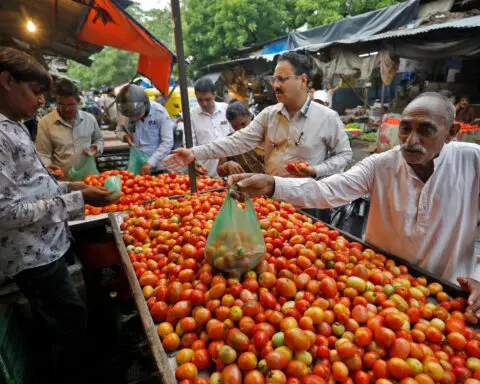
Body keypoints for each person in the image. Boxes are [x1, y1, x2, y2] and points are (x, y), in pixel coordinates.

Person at [228, 92, 480, 310]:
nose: (411, 140)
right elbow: (327, 190)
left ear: (452, 132)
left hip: (453, 293)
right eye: (405, 128)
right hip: (380, 286)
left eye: (426, 130)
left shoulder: (473, 162)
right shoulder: (381, 164)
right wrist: (273, 185)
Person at [0, 46, 119, 383]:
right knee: (69, 323)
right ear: (7, 81)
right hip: (31, 253)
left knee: (63, 318)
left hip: (45, 244)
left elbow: (34, 185)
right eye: (35, 92)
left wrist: (74, 188)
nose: (41, 101)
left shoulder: (15, 126)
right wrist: (76, 200)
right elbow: (6, 211)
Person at [165, 52, 352, 180]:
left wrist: (316, 171)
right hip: (275, 201)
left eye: (282, 79)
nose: (276, 85)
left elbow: (344, 155)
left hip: (311, 202)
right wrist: (193, 153)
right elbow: (236, 141)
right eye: (275, 79)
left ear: (302, 80)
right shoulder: (269, 115)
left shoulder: (328, 117)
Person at [36, 79, 104, 178]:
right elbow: (43, 154)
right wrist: (50, 169)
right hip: (63, 182)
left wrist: (96, 148)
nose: (66, 109)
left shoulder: (89, 119)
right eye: (61, 105)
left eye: (71, 105)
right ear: (56, 101)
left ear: (78, 101)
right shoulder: (45, 123)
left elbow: (99, 139)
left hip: (90, 179)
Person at [177, 78, 232, 177]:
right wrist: (194, 161)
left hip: (229, 168)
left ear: (214, 94)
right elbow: (189, 143)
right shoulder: (191, 115)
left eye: (207, 99)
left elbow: (235, 135)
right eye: (200, 100)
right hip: (206, 171)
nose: (204, 103)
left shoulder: (225, 109)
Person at [115, 83, 174, 175]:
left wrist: (150, 163)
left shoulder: (160, 113)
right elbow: (119, 130)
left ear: (145, 106)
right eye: (131, 116)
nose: (134, 118)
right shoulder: (124, 112)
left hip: (158, 164)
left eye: (137, 115)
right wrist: (125, 136)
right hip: (136, 161)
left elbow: (167, 142)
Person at [217, 101, 265, 177]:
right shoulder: (229, 141)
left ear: (250, 117)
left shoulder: (265, 134)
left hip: (271, 184)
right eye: (235, 127)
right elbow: (220, 172)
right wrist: (227, 165)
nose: (240, 129)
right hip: (245, 186)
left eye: (243, 124)